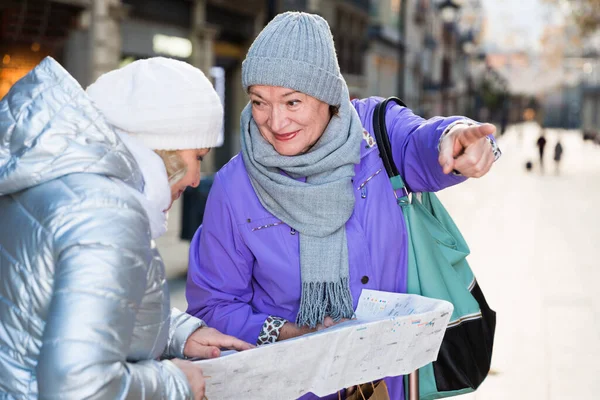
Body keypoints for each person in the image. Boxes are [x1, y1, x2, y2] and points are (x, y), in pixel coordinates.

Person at [185, 11, 501, 400]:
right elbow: (214, 303)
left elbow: (422, 142)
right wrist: (286, 334)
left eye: (293, 101)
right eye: (259, 101)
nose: (274, 121)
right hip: (290, 387)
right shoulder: (235, 186)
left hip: (391, 383)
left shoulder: (375, 133)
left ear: (328, 96)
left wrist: (456, 138)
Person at [0, 56, 252, 399]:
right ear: (165, 145)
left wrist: (178, 334)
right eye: (198, 155)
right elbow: (81, 387)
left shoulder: (58, 184)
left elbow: (57, 309)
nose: (195, 180)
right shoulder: (109, 214)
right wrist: (176, 383)